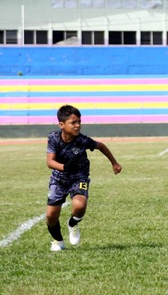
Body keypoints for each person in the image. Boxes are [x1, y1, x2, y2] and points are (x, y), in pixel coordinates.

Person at [45, 105, 122, 251]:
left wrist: (114, 163)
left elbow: (101, 146)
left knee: (79, 206)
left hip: (79, 177)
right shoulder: (53, 138)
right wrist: (64, 167)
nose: (77, 125)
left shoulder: (83, 141)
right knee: (50, 216)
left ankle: (73, 224)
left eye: (79, 121)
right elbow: (50, 162)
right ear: (61, 124)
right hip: (58, 179)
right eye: (73, 122)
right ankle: (58, 241)